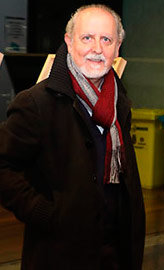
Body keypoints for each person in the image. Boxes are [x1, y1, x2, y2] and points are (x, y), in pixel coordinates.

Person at [0, 4, 145, 270]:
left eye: (106, 39)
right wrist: (44, 213)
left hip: (114, 251)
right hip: (59, 252)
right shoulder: (36, 103)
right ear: (69, 41)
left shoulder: (119, 101)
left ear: (118, 46)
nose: (97, 49)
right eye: (87, 38)